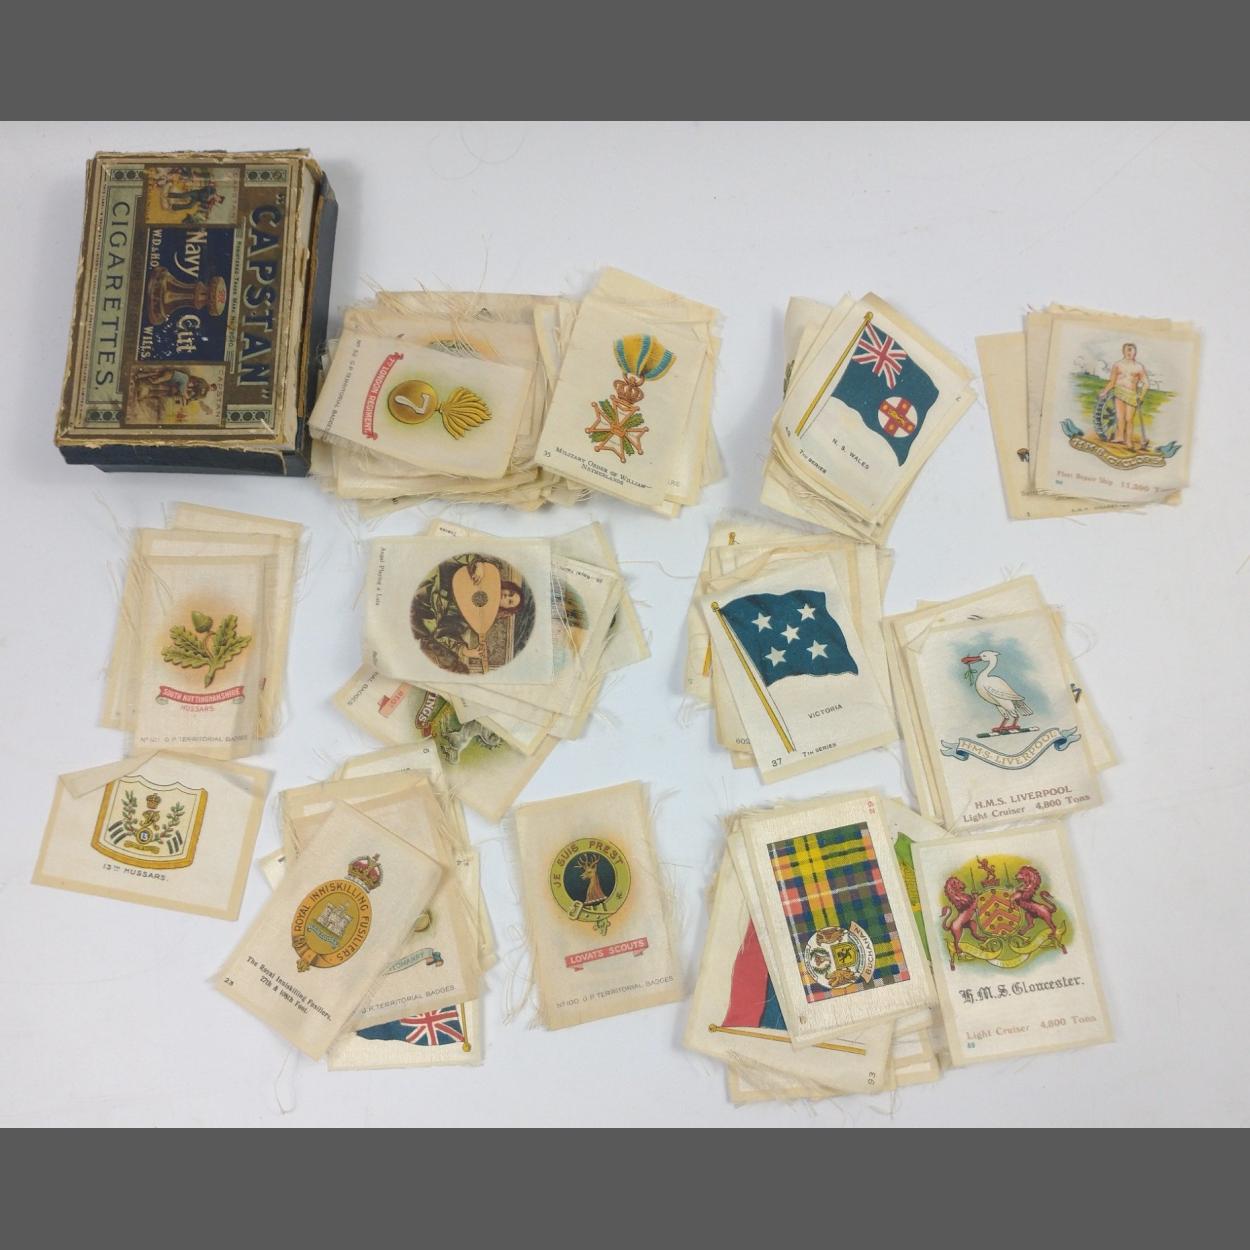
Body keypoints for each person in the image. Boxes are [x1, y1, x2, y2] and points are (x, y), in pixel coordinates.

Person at [1099, 343, 1149, 450]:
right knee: (1119, 417)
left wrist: (1140, 396)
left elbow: (1146, 384)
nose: (1129, 352)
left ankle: (1129, 441)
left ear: (1135, 352)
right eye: (1127, 350)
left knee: (1129, 419)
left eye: (1131, 350)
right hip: (1119, 392)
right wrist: (1105, 391)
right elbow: (1112, 382)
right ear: (1123, 351)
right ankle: (1120, 437)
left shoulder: (1139, 367)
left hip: (1131, 395)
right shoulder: (1117, 365)